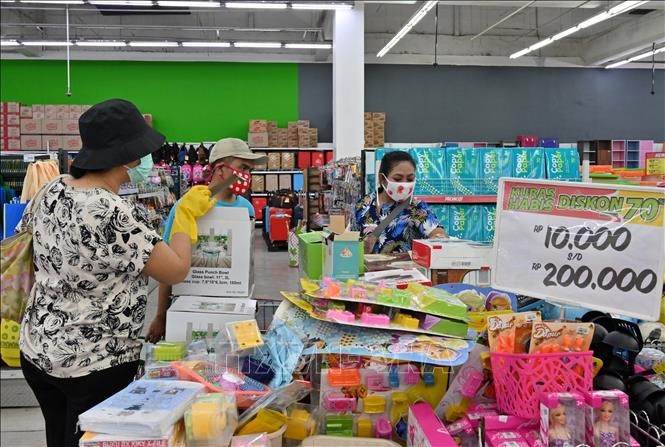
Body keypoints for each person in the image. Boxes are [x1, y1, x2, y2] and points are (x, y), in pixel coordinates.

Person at [18, 99, 217, 447]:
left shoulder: (52, 189)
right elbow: (175, 269)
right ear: (129, 156)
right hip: (94, 362)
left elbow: (28, 242)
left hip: (39, 348)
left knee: (60, 435)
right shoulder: (113, 212)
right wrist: (184, 215)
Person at [146, 138, 265, 342]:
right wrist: (161, 316)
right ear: (221, 169)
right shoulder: (187, 207)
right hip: (189, 310)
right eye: (243, 168)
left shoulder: (247, 209)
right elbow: (167, 267)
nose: (247, 176)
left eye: (250, 170)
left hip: (231, 311)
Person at [355, 150, 447, 254]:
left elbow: (436, 231)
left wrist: (440, 240)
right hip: (366, 269)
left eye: (410, 179)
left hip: (403, 269)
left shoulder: (416, 208)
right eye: (398, 179)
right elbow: (351, 239)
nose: (404, 184)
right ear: (382, 179)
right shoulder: (362, 204)